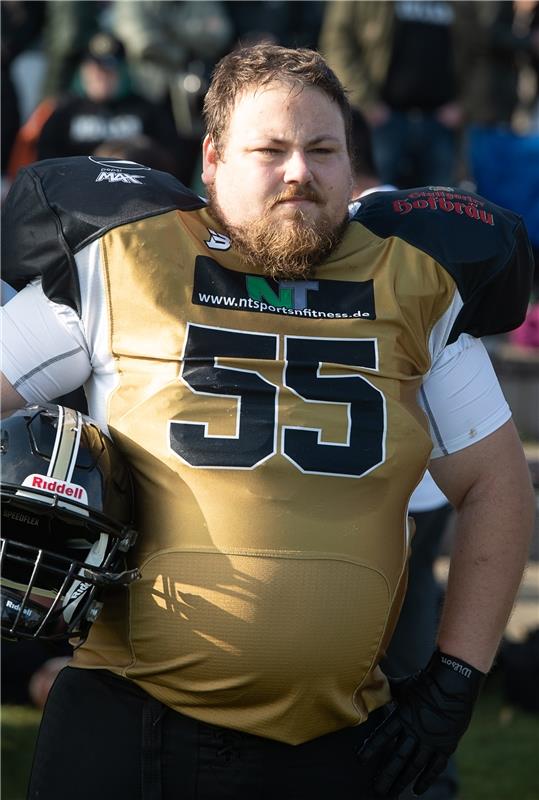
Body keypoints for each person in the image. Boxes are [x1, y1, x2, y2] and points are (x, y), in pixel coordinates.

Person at [1, 44, 536, 800]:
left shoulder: (413, 276)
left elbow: (494, 484)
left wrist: (455, 674)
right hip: (134, 728)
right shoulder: (123, 254)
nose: (300, 173)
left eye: (323, 150)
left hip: (333, 742)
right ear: (212, 158)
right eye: (271, 150)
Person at [349, 106, 457, 800]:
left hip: (373, 494)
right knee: (413, 684)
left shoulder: (360, 231)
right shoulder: (422, 227)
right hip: (425, 485)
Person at [319, 1, 475, 188]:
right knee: (376, 204)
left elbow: (477, 52)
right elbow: (338, 42)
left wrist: (463, 104)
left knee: (441, 207)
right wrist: (365, 101)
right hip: (380, 121)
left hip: (441, 123)